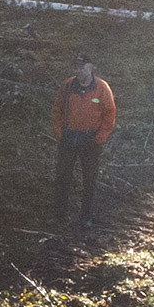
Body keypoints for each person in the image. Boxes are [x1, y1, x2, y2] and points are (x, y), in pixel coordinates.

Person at [52, 59, 117, 230]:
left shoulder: (102, 88)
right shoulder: (67, 86)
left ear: (90, 67)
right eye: (76, 67)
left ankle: (86, 217)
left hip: (90, 140)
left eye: (82, 68)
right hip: (68, 138)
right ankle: (59, 215)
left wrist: (100, 137)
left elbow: (110, 113)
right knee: (62, 177)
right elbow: (57, 109)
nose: (79, 71)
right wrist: (59, 133)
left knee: (89, 179)